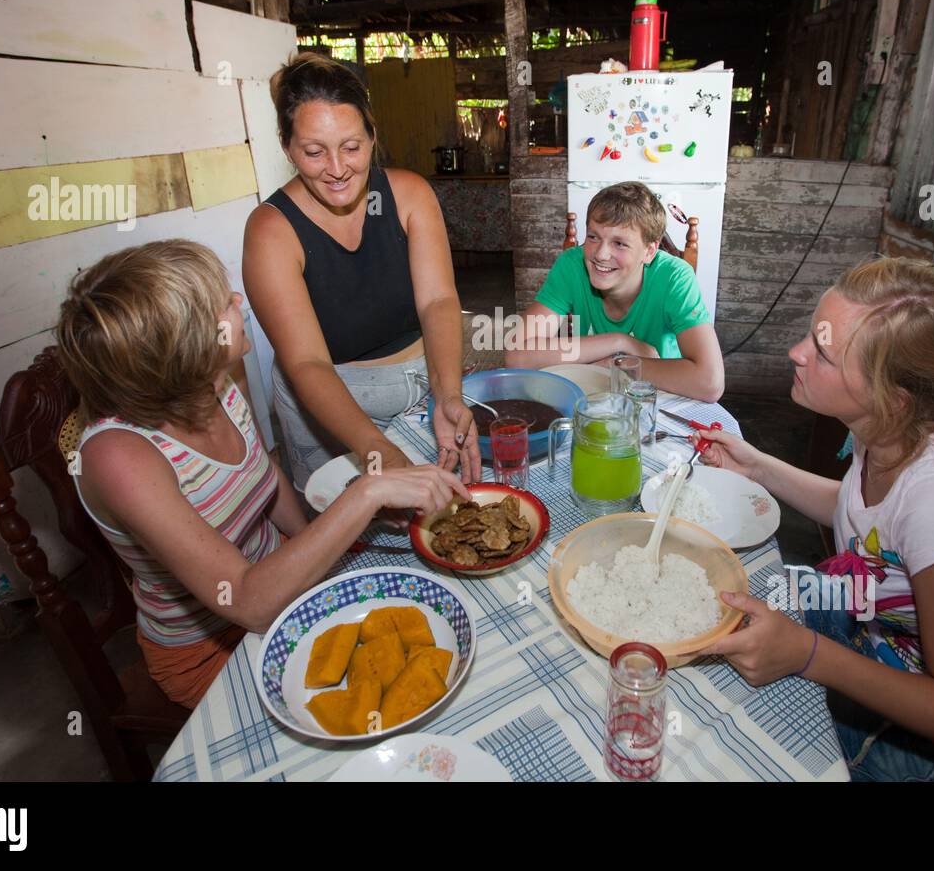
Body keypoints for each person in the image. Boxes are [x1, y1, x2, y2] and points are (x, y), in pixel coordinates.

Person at [56, 240, 468, 709]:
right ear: (187, 347)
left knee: (427, 639)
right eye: (222, 304)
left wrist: (332, 536)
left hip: (284, 591)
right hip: (212, 648)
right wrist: (364, 495)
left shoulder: (216, 388)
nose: (238, 302)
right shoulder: (117, 456)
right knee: (379, 697)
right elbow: (249, 604)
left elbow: (267, 483)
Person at [698, 256, 934, 781]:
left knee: (735, 743)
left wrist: (806, 654)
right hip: (877, 630)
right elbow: (869, 523)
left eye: (823, 355)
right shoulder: (899, 428)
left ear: (893, 397)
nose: (796, 353)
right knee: (710, 606)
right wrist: (758, 467)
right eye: (811, 334)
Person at [243, 52, 479, 491]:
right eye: (314, 152)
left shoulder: (409, 194)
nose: (337, 169)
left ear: (372, 134)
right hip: (327, 409)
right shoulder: (271, 230)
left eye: (351, 147)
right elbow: (307, 362)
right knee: (349, 536)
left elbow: (438, 300)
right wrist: (377, 452)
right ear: (286, 146)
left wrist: (447, 394)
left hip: (424, 385)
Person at [506, 181, 725, 402]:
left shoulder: (674, 277)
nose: (600, 254)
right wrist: (619, 342)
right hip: (594, 398)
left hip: (660, 399)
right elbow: (517, 357)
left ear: (649, 251)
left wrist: (617, 364)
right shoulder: (571, 266)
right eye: (593, 237)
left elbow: (710, 384)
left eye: (619, 243)